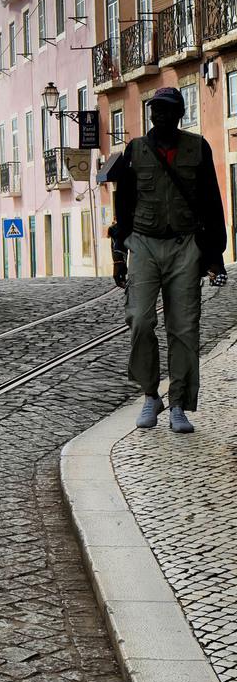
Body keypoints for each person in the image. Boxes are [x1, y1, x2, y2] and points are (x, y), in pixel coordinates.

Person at [107, 85, 226, 434]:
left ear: (178, 115)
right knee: (140, 320)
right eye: (154, 110)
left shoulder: (197, 148)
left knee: (185, 328)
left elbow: (211, 203)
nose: (159, 116)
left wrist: (214, 256)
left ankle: (178, 404)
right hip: (143, 243)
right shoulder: (135, 151)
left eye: (166, 111)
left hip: (185, 245)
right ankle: (150, 395)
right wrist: (119, 256)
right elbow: (123, 207)